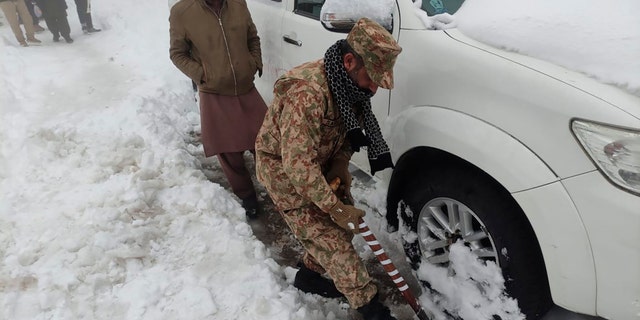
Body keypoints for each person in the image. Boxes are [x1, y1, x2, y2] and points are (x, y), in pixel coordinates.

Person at [254, 17, 402, 320]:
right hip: (284, 171)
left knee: (341, 231)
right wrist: (333, 207)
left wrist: (340, 162)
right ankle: (371, 307)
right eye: (372, 77)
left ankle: (309, 276)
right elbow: (297, 165)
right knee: (335, 244)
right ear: (349, 61)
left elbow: (347, 134)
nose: (374, 88)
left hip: (317, 163)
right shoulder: (308, 93)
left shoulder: (351, 89)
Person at [169, 0, 268, 219]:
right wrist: (204, 75)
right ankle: (247, 196)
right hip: (214, 92)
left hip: (245, 87)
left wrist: (255, 63)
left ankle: (278, 188)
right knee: (229, 150)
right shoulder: (182, 11)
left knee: (265, 142)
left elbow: (252, 37)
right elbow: (177, 53)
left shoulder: (237, 3)